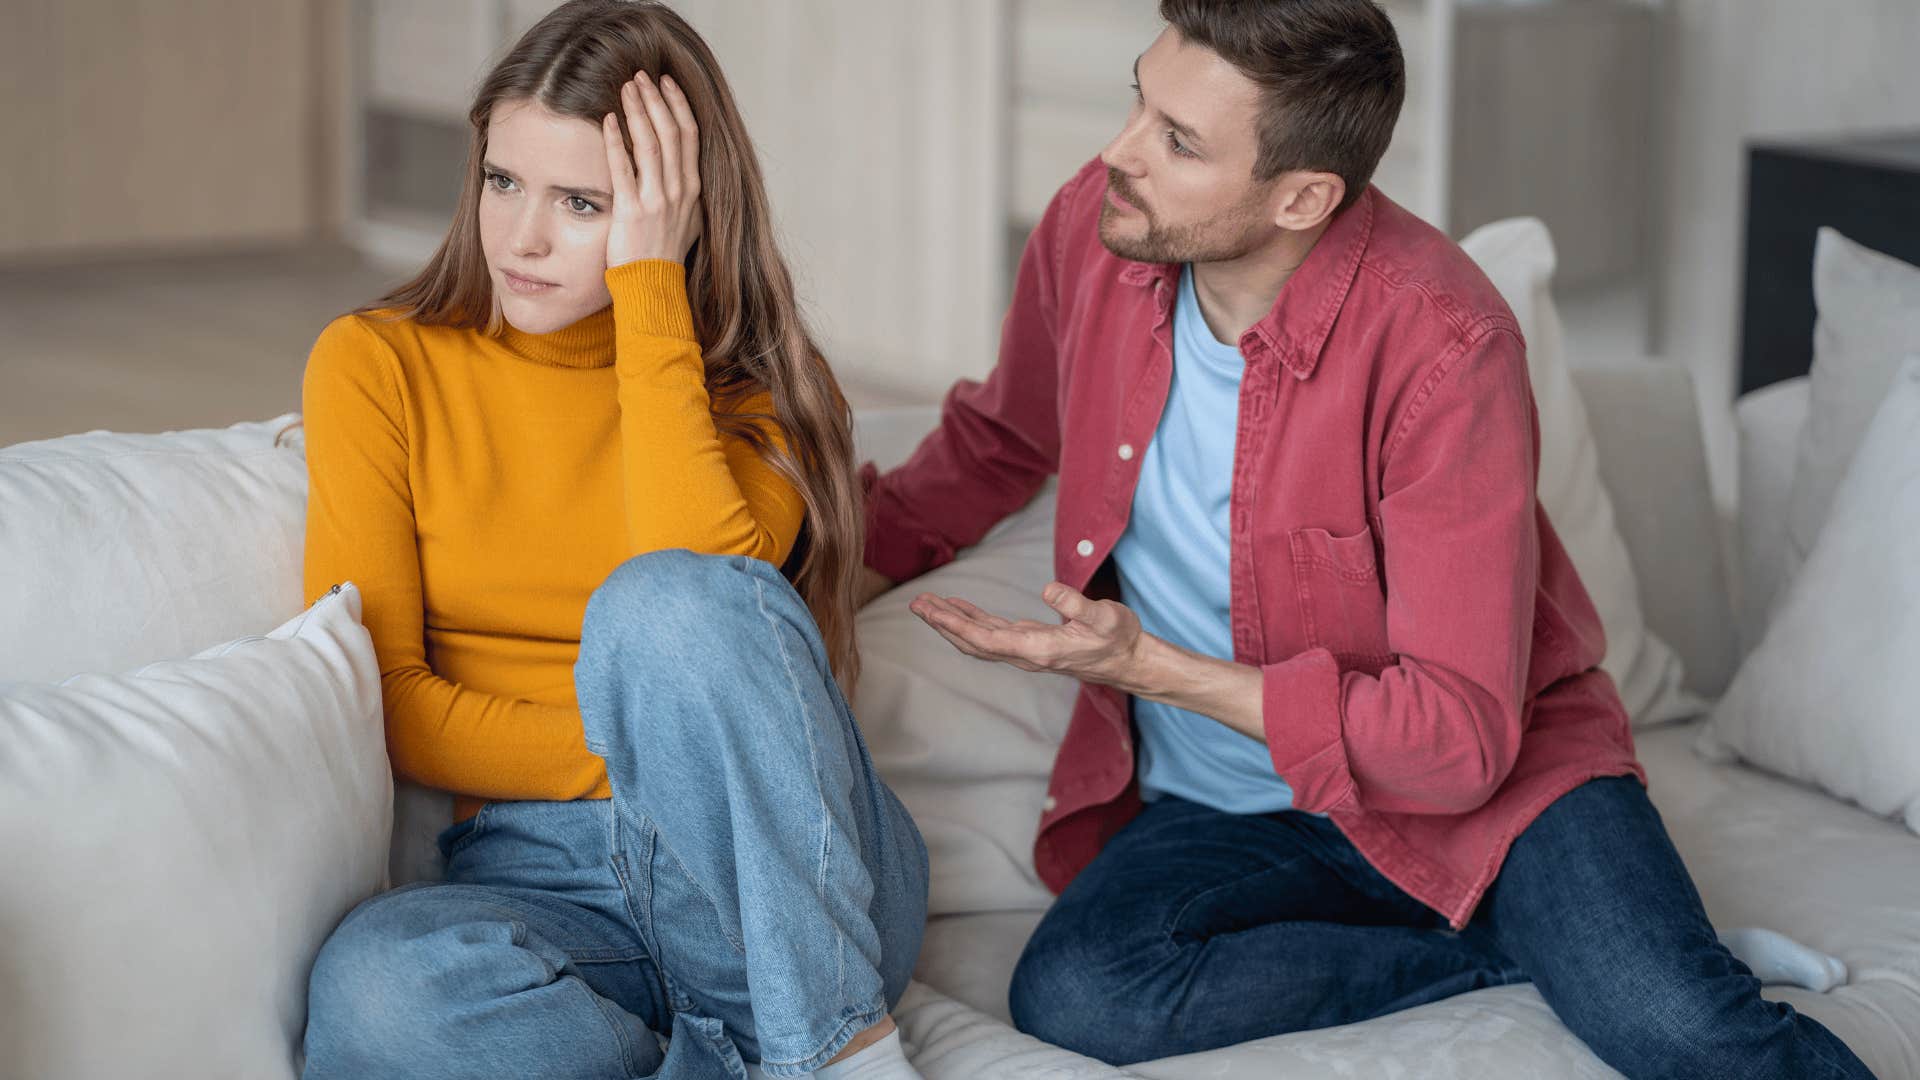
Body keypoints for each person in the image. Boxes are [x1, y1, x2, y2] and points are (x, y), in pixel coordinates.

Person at [856, 2, 1873, 1077]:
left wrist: (1150, 671)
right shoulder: (1098, 229)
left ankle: (1587, 949)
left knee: (1686, 1028)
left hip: (1496, 799)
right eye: (1140, 103)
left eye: (1178, 142)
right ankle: (1508, 950)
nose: (1120, 154)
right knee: (1082, 993)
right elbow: (996, 443)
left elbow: (1458, 742)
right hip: (1227, 804)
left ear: (1303, 197)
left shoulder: (1446, 344)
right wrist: (797, 578)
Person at [298, 3, 927, 1078]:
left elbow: (704, 590)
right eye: (504, 182)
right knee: (377, 988)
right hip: (538, 873)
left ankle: (843, 1052)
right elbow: (391, 700)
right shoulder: (376, 366)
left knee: (664, 603)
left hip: (778, 880)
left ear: (673, 214)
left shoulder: (765, 395)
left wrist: (649, 289)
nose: (522, 238)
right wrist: (658, 749)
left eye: (583, 202)